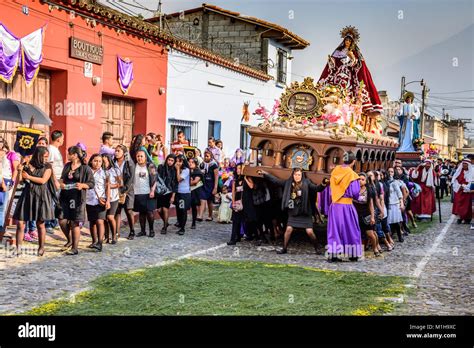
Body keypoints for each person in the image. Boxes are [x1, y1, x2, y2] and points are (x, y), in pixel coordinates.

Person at [260, 168, 328, 254]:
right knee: (288, 230)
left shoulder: (307, 182)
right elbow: (276, 181)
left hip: (305, 212)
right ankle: (284, 248)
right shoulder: (288, 183)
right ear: (293, 175)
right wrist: (266, 174)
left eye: (299, 175)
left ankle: (317, 249)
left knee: (310, 232)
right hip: (293, 212)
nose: (297, 177)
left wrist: (323, 183)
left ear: (301, 175)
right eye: (295, 175)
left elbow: (317, 188)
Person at [318, 26, 383, 115]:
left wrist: (352, 58)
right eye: (346, 40)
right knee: (330, 86)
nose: (347, 42)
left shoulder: (353, 51)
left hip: (348, 73)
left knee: (347, 87)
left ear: (352, 42)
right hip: (337, 73)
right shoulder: (337, 51)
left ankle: (345, 103)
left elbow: (357, 64)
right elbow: (333, 65)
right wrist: (331, 61)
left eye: (349, 40)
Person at [13, 146, 57, 256]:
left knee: (40, 223)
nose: (46, 159)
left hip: (41, 196)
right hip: (28, 195)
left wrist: (29, 176)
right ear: (38, 155)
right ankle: (18, 248)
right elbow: (21, 181)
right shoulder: (27, 165)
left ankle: (41, 247)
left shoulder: (48, 166)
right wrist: (19, 171)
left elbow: (43, 180)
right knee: (21, 223)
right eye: (44, 156)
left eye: (47, 157)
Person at [58, 146, 94, 255]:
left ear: (75, 155)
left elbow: (91, 183)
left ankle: (75, 248)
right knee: (62, 220)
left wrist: (82, 185)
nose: (68, 155)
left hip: (77, 198)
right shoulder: (67, 166)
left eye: (69, 153)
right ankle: (69, 239)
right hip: (65, 196)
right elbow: (61, 179)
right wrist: (61, 184)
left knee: (75, 222)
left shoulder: (85, 168)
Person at [326, 151, 362, 262]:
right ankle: (353, 254)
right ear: (353, 161)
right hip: (346, 206)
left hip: (335, 205)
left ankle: (333, 255)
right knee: (351, 228)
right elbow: (355, 193)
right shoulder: (352, 175)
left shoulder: (335, 171)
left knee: (334, 230)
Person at [86, 154, 110, 251]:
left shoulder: (105, 173)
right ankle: (94, 241)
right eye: (95, 161)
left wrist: (108, 200)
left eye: (100, 161)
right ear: (91, 161)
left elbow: (107, 187)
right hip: (89, 200)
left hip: (101, 200)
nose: (97, 163)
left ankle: (100, 243)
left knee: (100, 221)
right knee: (92, 222)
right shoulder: (87, 172)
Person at [353, 173, 380, 257]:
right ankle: (359, 250)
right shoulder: (354, 189)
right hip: (356, 214)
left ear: (366, 181)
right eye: (359, 179)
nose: (360, 181)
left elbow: (371, 205)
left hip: (366, 214)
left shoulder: (368, 190)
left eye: (362, 179)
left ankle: (375, 248)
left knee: (370, 233)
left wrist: (372, 217)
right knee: (359, 234)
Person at [133, 149, 157, 237]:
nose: (139, 158)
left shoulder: (150, 166)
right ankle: (143, 231)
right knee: (141, 213)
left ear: (145, 157)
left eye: (141, 156)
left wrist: (152, 190)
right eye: (138, 156)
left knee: (149, 213)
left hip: (148, 192)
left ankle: (151, 230)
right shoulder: (134, 166)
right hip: (137, 193)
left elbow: (155, 180)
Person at [114, 145, 135, 240]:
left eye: (118, 151)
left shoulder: (129, 163)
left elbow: (131, 178)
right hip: (116, 189)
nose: (116, 152)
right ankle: (116, 233)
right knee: (117, 211)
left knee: (128, 210)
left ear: (124, 152)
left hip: (128, 189)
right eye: (115, 150)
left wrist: (125, 190)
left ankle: (132, 231)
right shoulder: (113, 162)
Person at [0, 138, 20, 230]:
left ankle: (3, 227)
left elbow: (16, 169)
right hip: (2, 180)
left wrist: (12, 181)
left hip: (8, 181)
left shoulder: (11, 154)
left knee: (5, 205)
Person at [157, 154, 178, 234]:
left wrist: (173, 196)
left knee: (165, 209)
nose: (170, 162)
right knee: (159, 210)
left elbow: (176, 184)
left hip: (169, 191)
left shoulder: (175, 170)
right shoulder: (161, 167)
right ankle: (166, 221)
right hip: (160, 191)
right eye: (169, 160)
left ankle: (165, 226)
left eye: (172, 161)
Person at [102, 154, 121, 244]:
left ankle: (114, 235)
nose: (103, 163)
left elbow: (120, 183)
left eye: (105, 161)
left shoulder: (115, 170)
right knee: (105, 218)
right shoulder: (100, 171)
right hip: (103, 197)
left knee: (110, 217)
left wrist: (109, 186)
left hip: (113, 197)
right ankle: (106, 236)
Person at [198, 150, 219, 221]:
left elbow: (216, 177)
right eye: (205, 156)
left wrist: (215, 187)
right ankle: (200, 215)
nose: (206, 158)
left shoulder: (214, 165)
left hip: (211, 184)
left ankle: (210, 215)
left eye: (207, 156)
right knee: (202, 199)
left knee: (209, 201)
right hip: (203, 184)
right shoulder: (202, 164)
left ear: (211, 157)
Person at [452, 159, 473, 224]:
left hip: (467, 191)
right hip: (459, 191)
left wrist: (466, 187)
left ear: (468, 165)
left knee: (467, 205)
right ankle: (460, 218)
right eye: (463, 164)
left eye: (466, 164)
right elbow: (454, 180)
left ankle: (467, 218)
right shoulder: (458, 171)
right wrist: (459, 186)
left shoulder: (472, 172)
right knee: (459, 204)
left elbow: (472, 182)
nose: (464, 165)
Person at [386, 167, 405, 242]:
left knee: (396, 221)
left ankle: (399, 235)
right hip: (388, 203)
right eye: (389, 171)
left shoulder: (395, 182)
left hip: (394, 203)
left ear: (394, 173)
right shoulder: (385, 182)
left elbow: (399, 193)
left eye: (392, 172)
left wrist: (401, 203)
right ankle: (390, 237)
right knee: (389, 221)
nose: (390, 173)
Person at [174, 154, 191, 235]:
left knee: (183, 210)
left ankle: (182, 228)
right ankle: (180, 223)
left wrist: (177, 169)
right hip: (178, 192)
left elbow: (179, 179)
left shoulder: (186, 170)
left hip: (184, 194)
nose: (178, 163)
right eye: (176, 161)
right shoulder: (177, 169)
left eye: (180, 161)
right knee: (179, 210)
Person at [189, 157, 203, 229]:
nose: (190, 163)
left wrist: (188, 182)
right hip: (188, 191)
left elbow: (195, 182)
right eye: (189, 162)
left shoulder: (198, 171)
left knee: (194, 207)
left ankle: (193, 222)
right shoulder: (187, 170)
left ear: (196, 164)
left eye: (192, 162)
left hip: (195, 191)